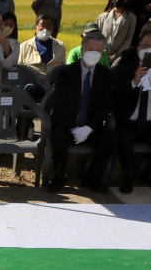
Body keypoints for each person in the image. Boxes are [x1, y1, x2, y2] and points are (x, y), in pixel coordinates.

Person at [46, 32, 114, 193]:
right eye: (90, 48)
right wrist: (74, 128)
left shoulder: (106, 75)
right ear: (82, 51)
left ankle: (91, 178)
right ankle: (59, 177)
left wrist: (89, 128)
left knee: (110, 139)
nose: (93, 52)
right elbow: (60, 105)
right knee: (58, 138)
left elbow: (105, 106)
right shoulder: (66, 73)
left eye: (98, 50)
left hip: (91, 126)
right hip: (66, 124)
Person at [112, 30, 151, 194]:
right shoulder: (124, 70)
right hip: (129, 122)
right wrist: (134, 82)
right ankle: (128, 175)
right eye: (146, 45)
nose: (150, 49)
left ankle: (149, 171)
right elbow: (115, 97)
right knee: (125, 140)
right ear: (138, 49)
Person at [16, 14, 65, 79]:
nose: (45, 29)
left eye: (48, 26)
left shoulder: (59, 46)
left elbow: (63, 68)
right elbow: (20, 68)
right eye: (42, 25)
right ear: (36, 28)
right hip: (32, 83)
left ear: (52, 28)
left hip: (54, 83)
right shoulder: (25, 46)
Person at [97, 0, 137, 65]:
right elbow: (97, 36)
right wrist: (103, 54)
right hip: (102, 55)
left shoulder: (131, 18)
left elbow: (129, 38)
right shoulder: (102, 17)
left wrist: (116, 56)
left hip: (119, 57)